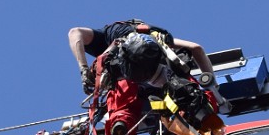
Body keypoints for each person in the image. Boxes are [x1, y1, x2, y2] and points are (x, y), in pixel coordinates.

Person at [68, 20, 216, 96]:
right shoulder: (159, 40)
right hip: (167, 79)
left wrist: (84, 69)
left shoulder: (112, 36)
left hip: (160, 75)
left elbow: (74, 33)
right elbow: (196, 48)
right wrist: (211, 85)